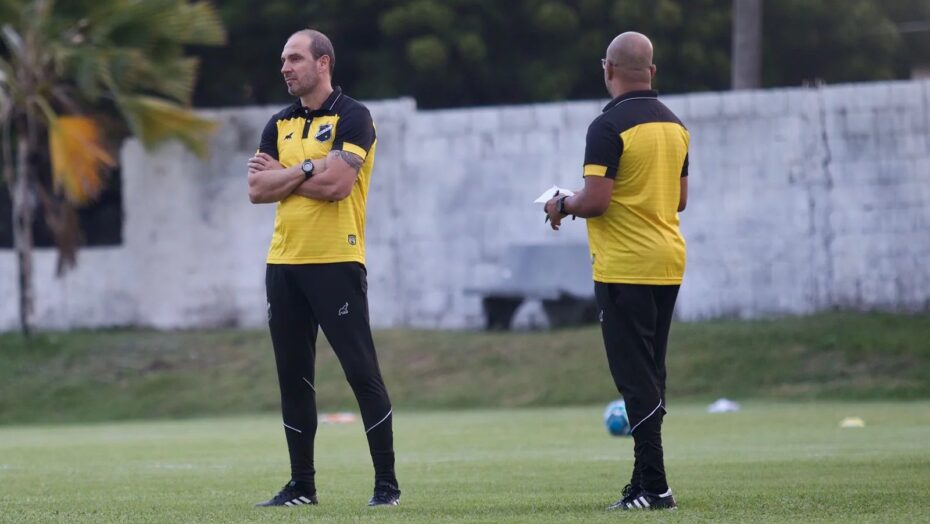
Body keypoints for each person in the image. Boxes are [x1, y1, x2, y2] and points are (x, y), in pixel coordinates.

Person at [246, 28, 400, 508]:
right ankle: (302, 487)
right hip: (283, 264)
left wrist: (287, 177)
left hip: (336, 261)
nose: (285, 68)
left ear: (323, 62)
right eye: (283, 60)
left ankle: (386, 486)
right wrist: (311, 168)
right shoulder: (278, 123)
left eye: (294, 58)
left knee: (361, 373)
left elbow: (338, 186)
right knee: (293, 378)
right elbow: (256, 191)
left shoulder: (354, 116)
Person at [544, 31, 689, 511]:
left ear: (607, 69)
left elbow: (598, 201)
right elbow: (680, 199)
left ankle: (656, 487)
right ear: (653, 71)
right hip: (668, 261)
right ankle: (642, 483)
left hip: (625, 265)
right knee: (652, 374)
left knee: (635, 379)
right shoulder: (675, 125)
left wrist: (561, 203)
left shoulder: (607, 127)